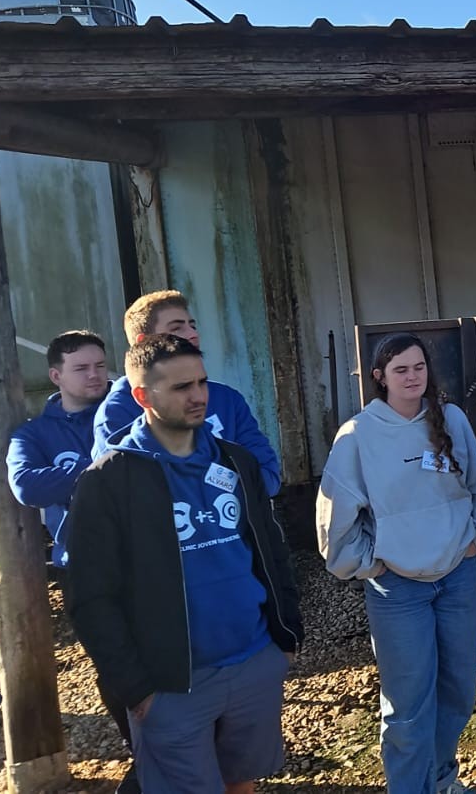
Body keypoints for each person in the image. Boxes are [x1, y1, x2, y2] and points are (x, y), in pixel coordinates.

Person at [68, 334, 303, 794]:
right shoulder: (109, 479)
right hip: (172, 683)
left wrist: (286, 636)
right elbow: (90, 597)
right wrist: (137, 688)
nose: (198, 396)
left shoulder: (235, 461)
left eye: (201, 382)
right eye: (180, 387)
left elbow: (271, 551)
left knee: (242, 783)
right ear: (142, 396)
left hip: (254, 659)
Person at [317, 333, 476, 794]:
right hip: (398, 589)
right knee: (407, 703)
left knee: (458, 690)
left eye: (419, 367)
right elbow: (335, 516)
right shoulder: (359, 435)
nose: (412, 377)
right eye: (400, 370)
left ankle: (441, 778)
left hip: (457, 577)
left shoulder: (451, 419)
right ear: (380, 377)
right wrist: (369, 563)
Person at [92, 289, 282, 497]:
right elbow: (126, 491)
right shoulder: (116, 411)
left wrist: (213, 488)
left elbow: (267, 477)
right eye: (177, 327)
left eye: (192, 325)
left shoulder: (228, 399)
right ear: (144, 341)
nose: (192, 334)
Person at [8, 330, 111, 569]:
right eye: (81, 368)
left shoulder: (131, 411)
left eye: (100, 366)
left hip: (145, 555)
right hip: (80, 562)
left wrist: (67, 478)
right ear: (56, 376)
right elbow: (27, 487)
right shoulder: (33, 434)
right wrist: (106, 463)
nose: (94, 375)